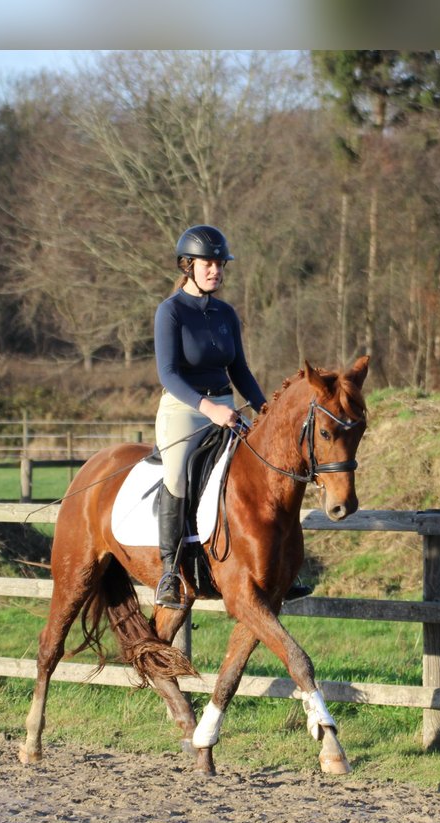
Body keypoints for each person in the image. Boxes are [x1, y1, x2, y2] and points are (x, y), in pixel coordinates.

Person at [151, 224, 266, 609]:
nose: (216, 270)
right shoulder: (170, 312)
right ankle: (169, 572)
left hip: (227, 409)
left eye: (220, 264)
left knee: (261, 469)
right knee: (177, 476)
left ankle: (271, 563)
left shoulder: (226, 313)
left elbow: (240, 371)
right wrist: (208, 408)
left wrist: (266, 410)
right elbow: (168, 374)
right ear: (188, 266)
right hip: (185, 410)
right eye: (208, 264)